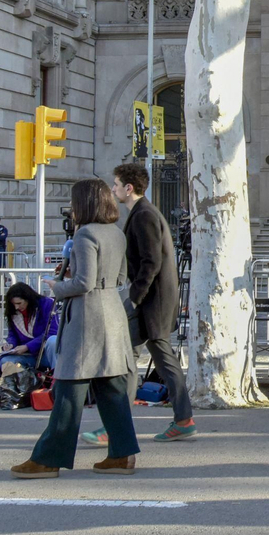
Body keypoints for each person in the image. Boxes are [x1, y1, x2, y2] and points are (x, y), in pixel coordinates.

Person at [13, 179, 140, 477]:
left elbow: (83, 283)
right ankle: (122, 454)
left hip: (87, 317)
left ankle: (48, 458)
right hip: (112, 313)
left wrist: (57, 286)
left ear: (84, 203)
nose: (71, 208)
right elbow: (120, 277)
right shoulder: (115, 233)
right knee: (112, 390)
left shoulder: (85, 234)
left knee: (68, 390)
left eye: (73, 202)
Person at [92, 163, 190, 443]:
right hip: (153, 299)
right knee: (148, 359)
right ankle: (182, 419)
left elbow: (151, 262)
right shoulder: (143, 212)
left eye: (116, 184)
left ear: (128, 187)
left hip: (151, 301)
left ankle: (117, 426)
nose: (113, 189)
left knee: (133, 358)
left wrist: (134, 298)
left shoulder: (144, 215)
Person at [0, 281, 58, 387]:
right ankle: (23, 387)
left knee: (53, 340)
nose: (16, 307)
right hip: (28, 356)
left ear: (28, 299)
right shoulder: (13, 311)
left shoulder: (46, 304)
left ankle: (57, 381)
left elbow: (52, 331)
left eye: (19, 303)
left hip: (46, 354)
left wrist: (28, 346)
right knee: (5, 361)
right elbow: (13, 334)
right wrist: (10, 344)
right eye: (13, 304)